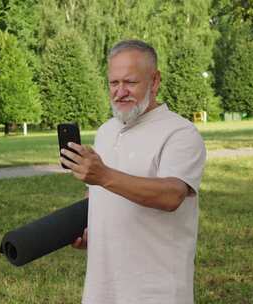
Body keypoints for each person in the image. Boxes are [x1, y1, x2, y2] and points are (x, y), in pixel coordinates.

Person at [60, 40, 206, 304]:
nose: (120, 92)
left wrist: (103, 175)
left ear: (155, 80)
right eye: (113, 83)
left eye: (130, 82)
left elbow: (171, 195)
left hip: (155, 290)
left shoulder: (180, 133)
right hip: (102, 287)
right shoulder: (106, 131)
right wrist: (90, 229)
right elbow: (101, 196)